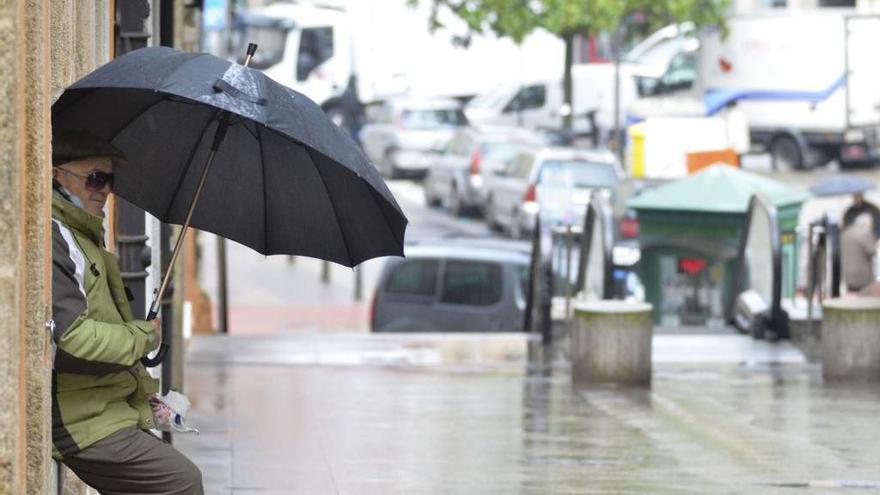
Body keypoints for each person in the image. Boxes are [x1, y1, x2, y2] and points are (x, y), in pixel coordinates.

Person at [51, 131, 203, 494]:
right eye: (95, 178)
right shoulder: (56, 236)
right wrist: (142, 337)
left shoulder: (85, 236)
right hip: (77, 416)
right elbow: (71, 339)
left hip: (104, 403)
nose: (104, 190)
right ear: (58, 175)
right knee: (181, 482)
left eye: (110, 180)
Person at [841, 212, 877, 293]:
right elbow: (872, 251)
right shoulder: (865, 233)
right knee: (864, 301)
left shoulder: (846, 233)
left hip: (848, 275)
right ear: (867, 224)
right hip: (863, 276)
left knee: (853, 299)